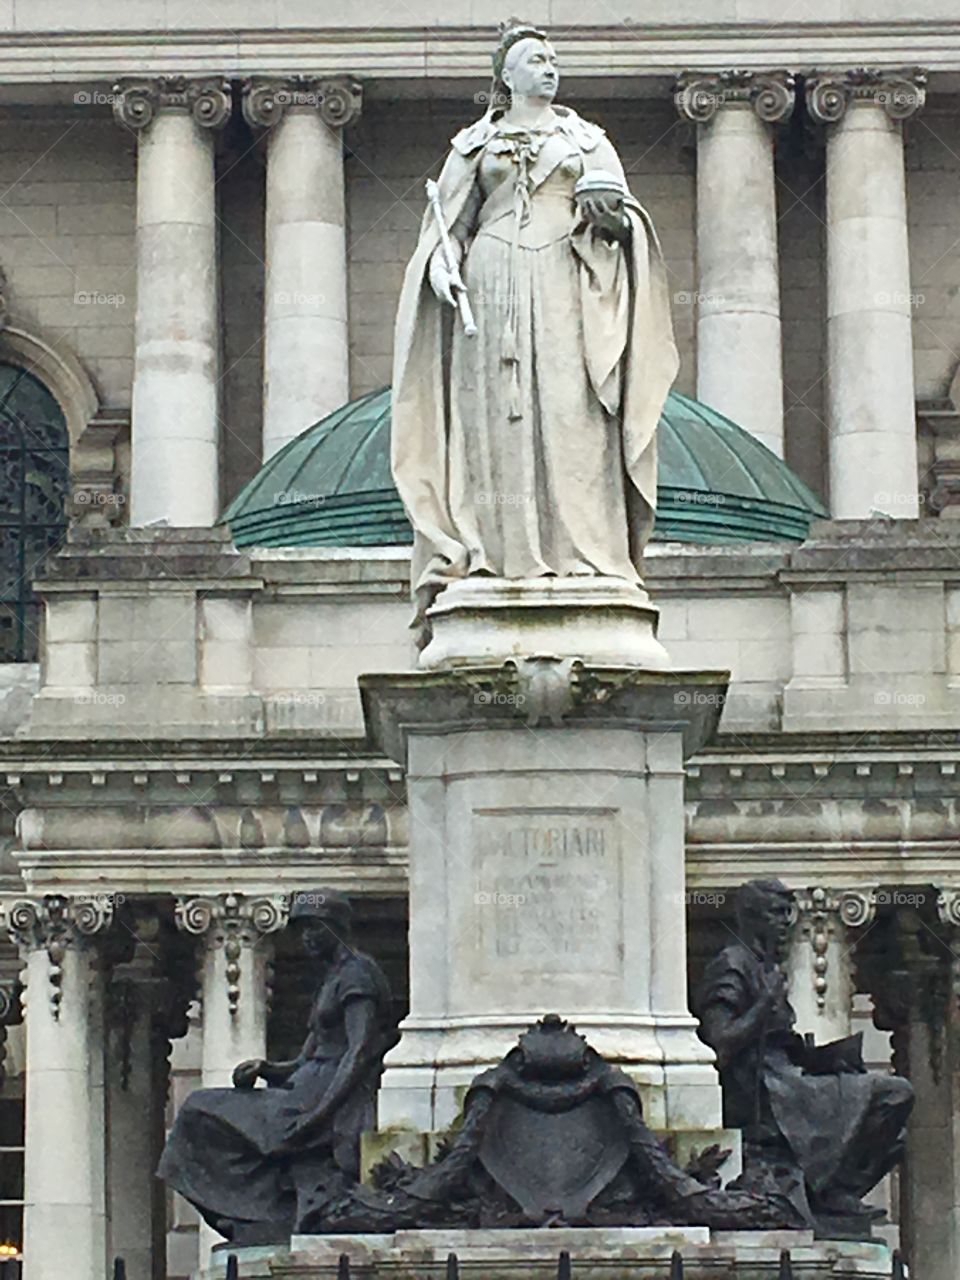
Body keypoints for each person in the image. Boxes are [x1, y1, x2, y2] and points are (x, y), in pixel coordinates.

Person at [392, 21, 679, 642]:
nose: (549, 68)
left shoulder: (587, 140)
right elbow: (448, 224)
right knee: (497, 418)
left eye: (553, 59)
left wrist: (615, 221)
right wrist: (441, 267)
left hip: (566, 279)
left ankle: (587, 556)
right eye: (535, 59)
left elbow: (621, 216)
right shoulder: (474, 143)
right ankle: (497, 556)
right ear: (507, 76)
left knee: (574, 411)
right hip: (491, 280)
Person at [157, 889, 397, 1244]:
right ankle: (255, 1217)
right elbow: (304, 1060)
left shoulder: (358, 974)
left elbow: (359, 1052)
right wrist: (266, 1069)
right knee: (198, 1112)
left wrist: (320, 1115)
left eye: (313, 929)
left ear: (334, 928)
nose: (306, 939)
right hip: (303, 1089)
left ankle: (255, 1213)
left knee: (199, 1112)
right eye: (302, 930)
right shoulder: (331, 980)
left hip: (319, 1099)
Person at [695, 879, 914, 1227]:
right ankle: (827, 1188)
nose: (785, 921)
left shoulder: (763, 965)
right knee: (892, 1094)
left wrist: (820, 1057)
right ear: (751, 917)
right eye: (777, 912)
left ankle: (830, 1193)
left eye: (788, 912)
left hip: (786, 1079)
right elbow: (720, 1042)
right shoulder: (732, 964)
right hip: (763, 1090)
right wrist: (764, 1004)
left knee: (894, 1129)